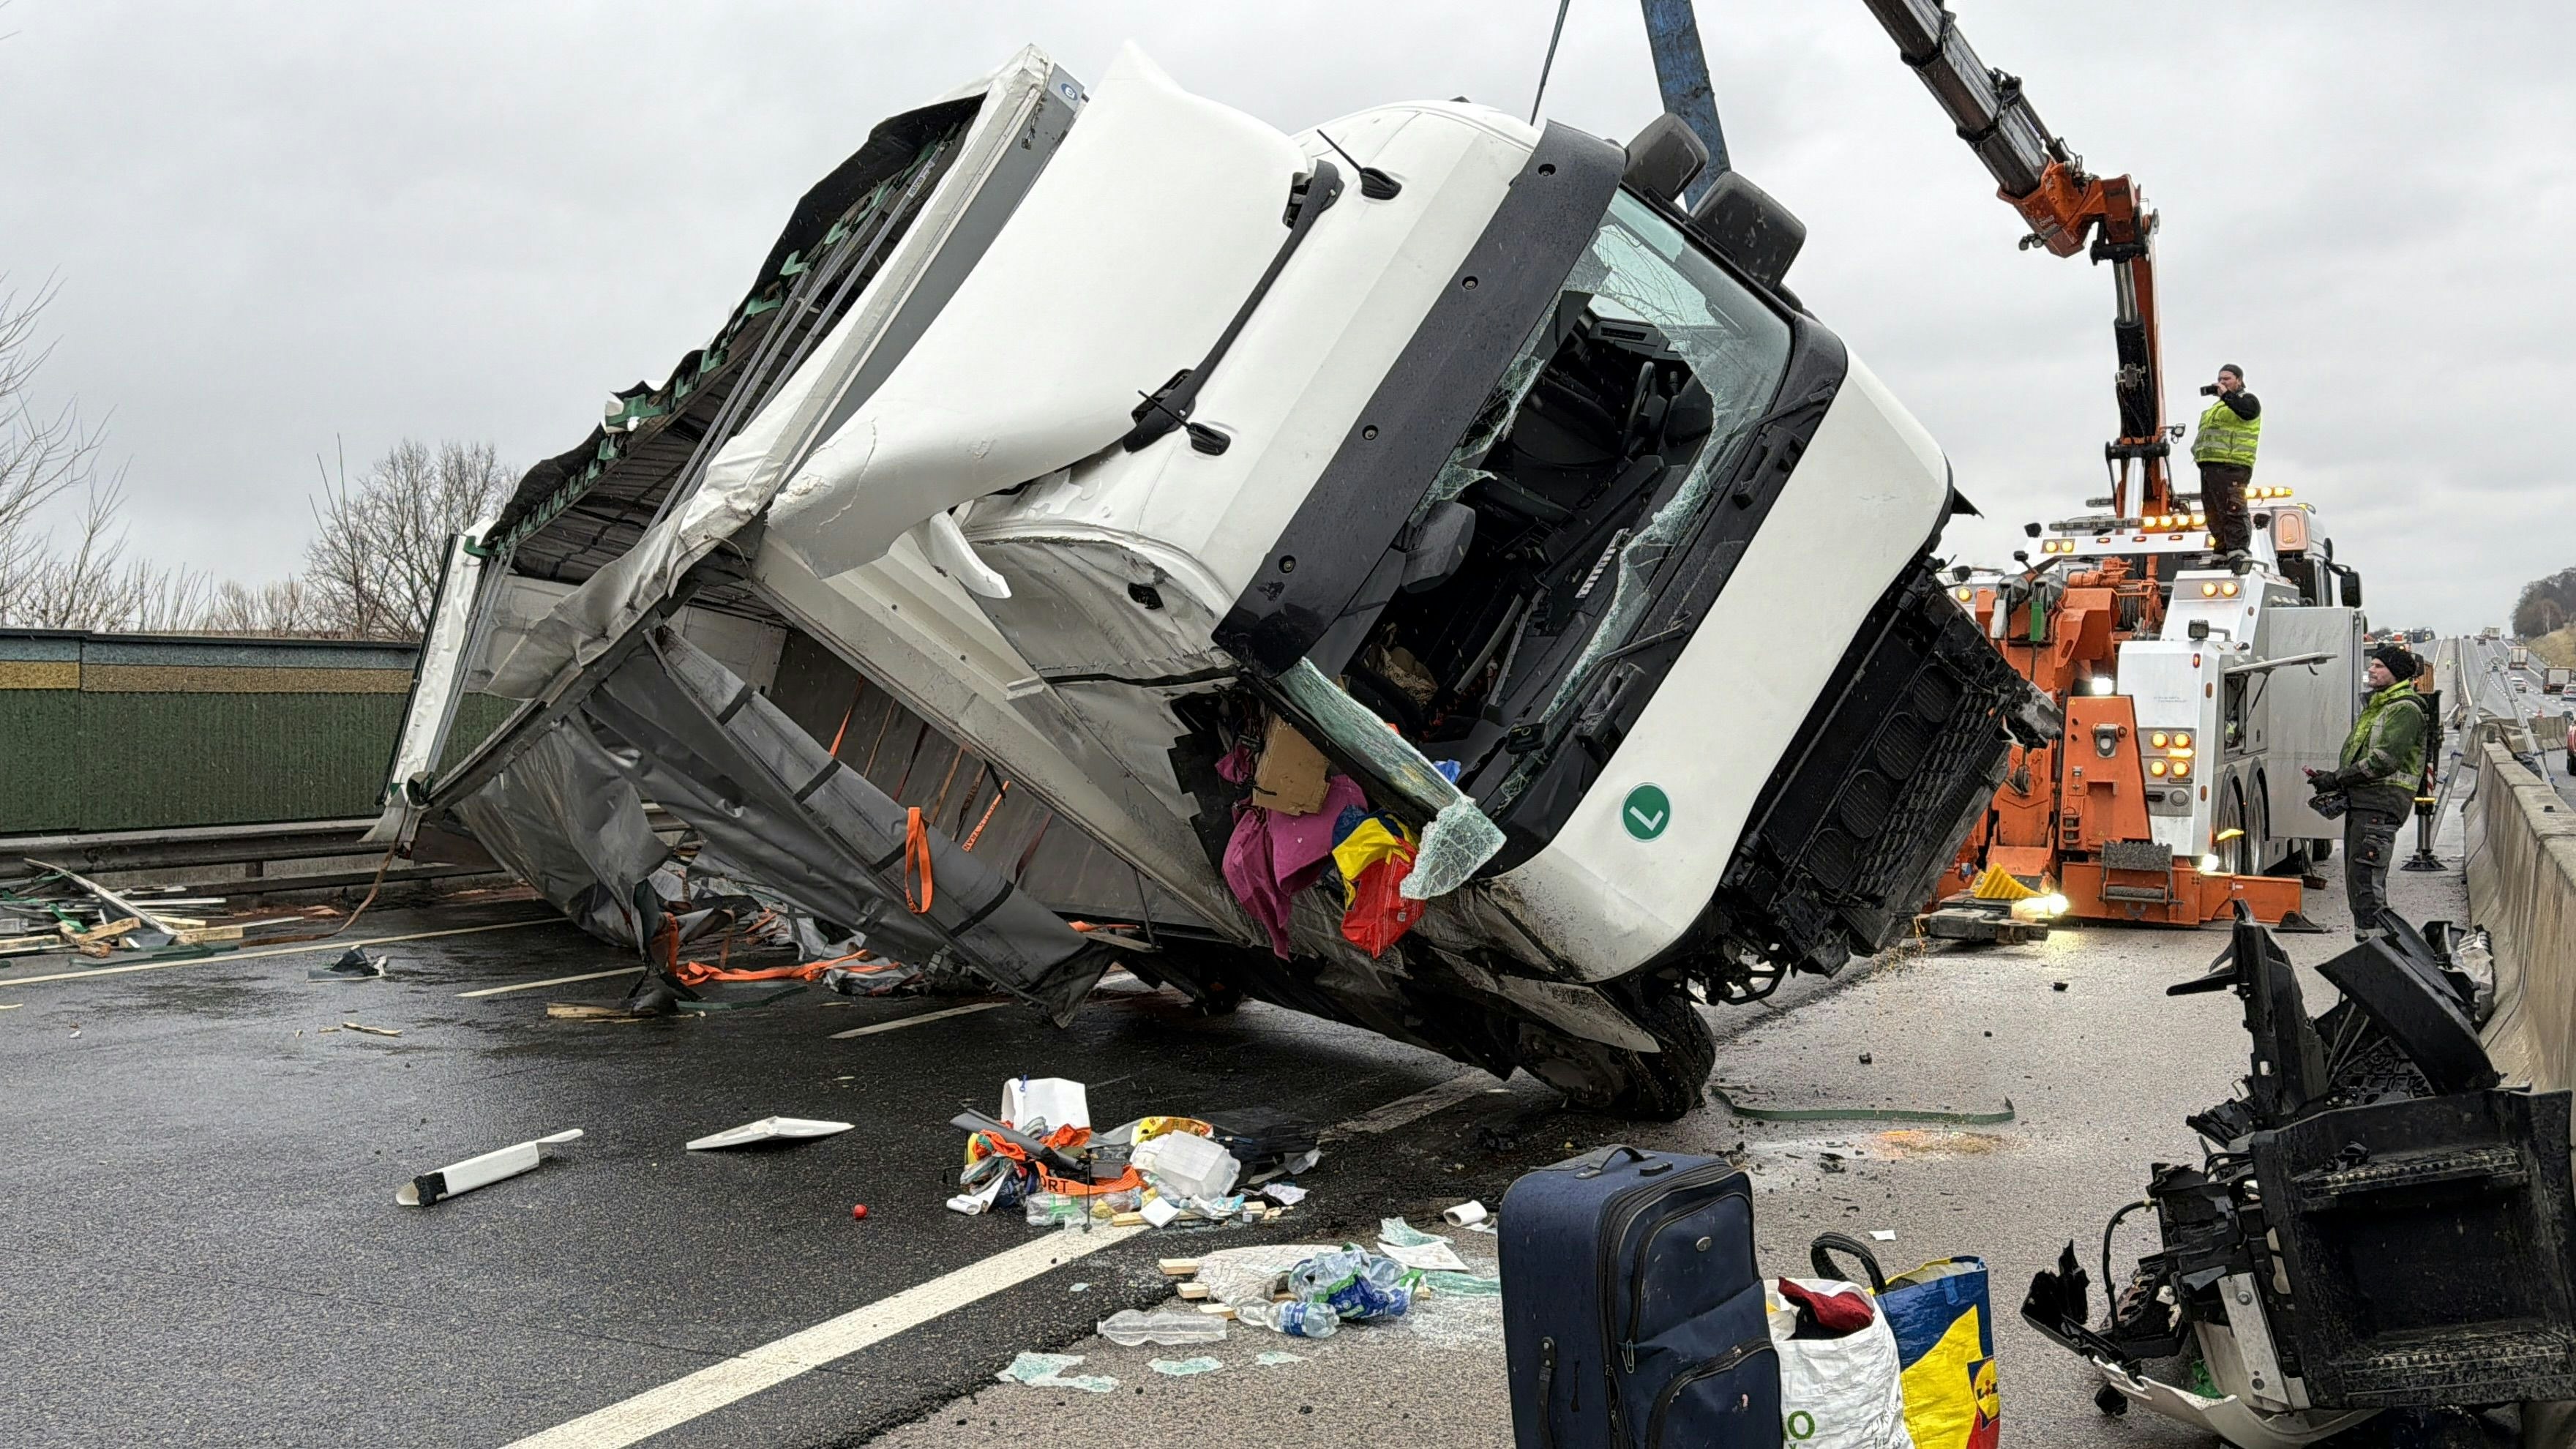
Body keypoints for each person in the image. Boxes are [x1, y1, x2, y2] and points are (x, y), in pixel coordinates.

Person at [2310, 643, 2428, 939]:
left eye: (2378, 666)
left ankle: (2379, 953)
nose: (2371, 671)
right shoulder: (2381, 706)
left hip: (2382, 803)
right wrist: (2334, 779)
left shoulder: (2405, 710)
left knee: (2367, 880)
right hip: (2366, 803)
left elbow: (2383, 762)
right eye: (2372, 665)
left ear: (2396, 673)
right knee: (2358, 879)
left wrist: (2337, 779)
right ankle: (2369, 945)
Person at [2191, 364, 2262, 569]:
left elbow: (2247, 412)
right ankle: (2221, 552)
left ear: (2239, 380)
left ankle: (2238, 551)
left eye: (2227, 379)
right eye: (2220, 379)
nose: (2221, 383)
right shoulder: (2217, 408)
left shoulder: (2247, 401)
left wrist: (2227, 397)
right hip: (2210, 466)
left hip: (2232, 465)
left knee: (2233, 508)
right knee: (2213, 512)